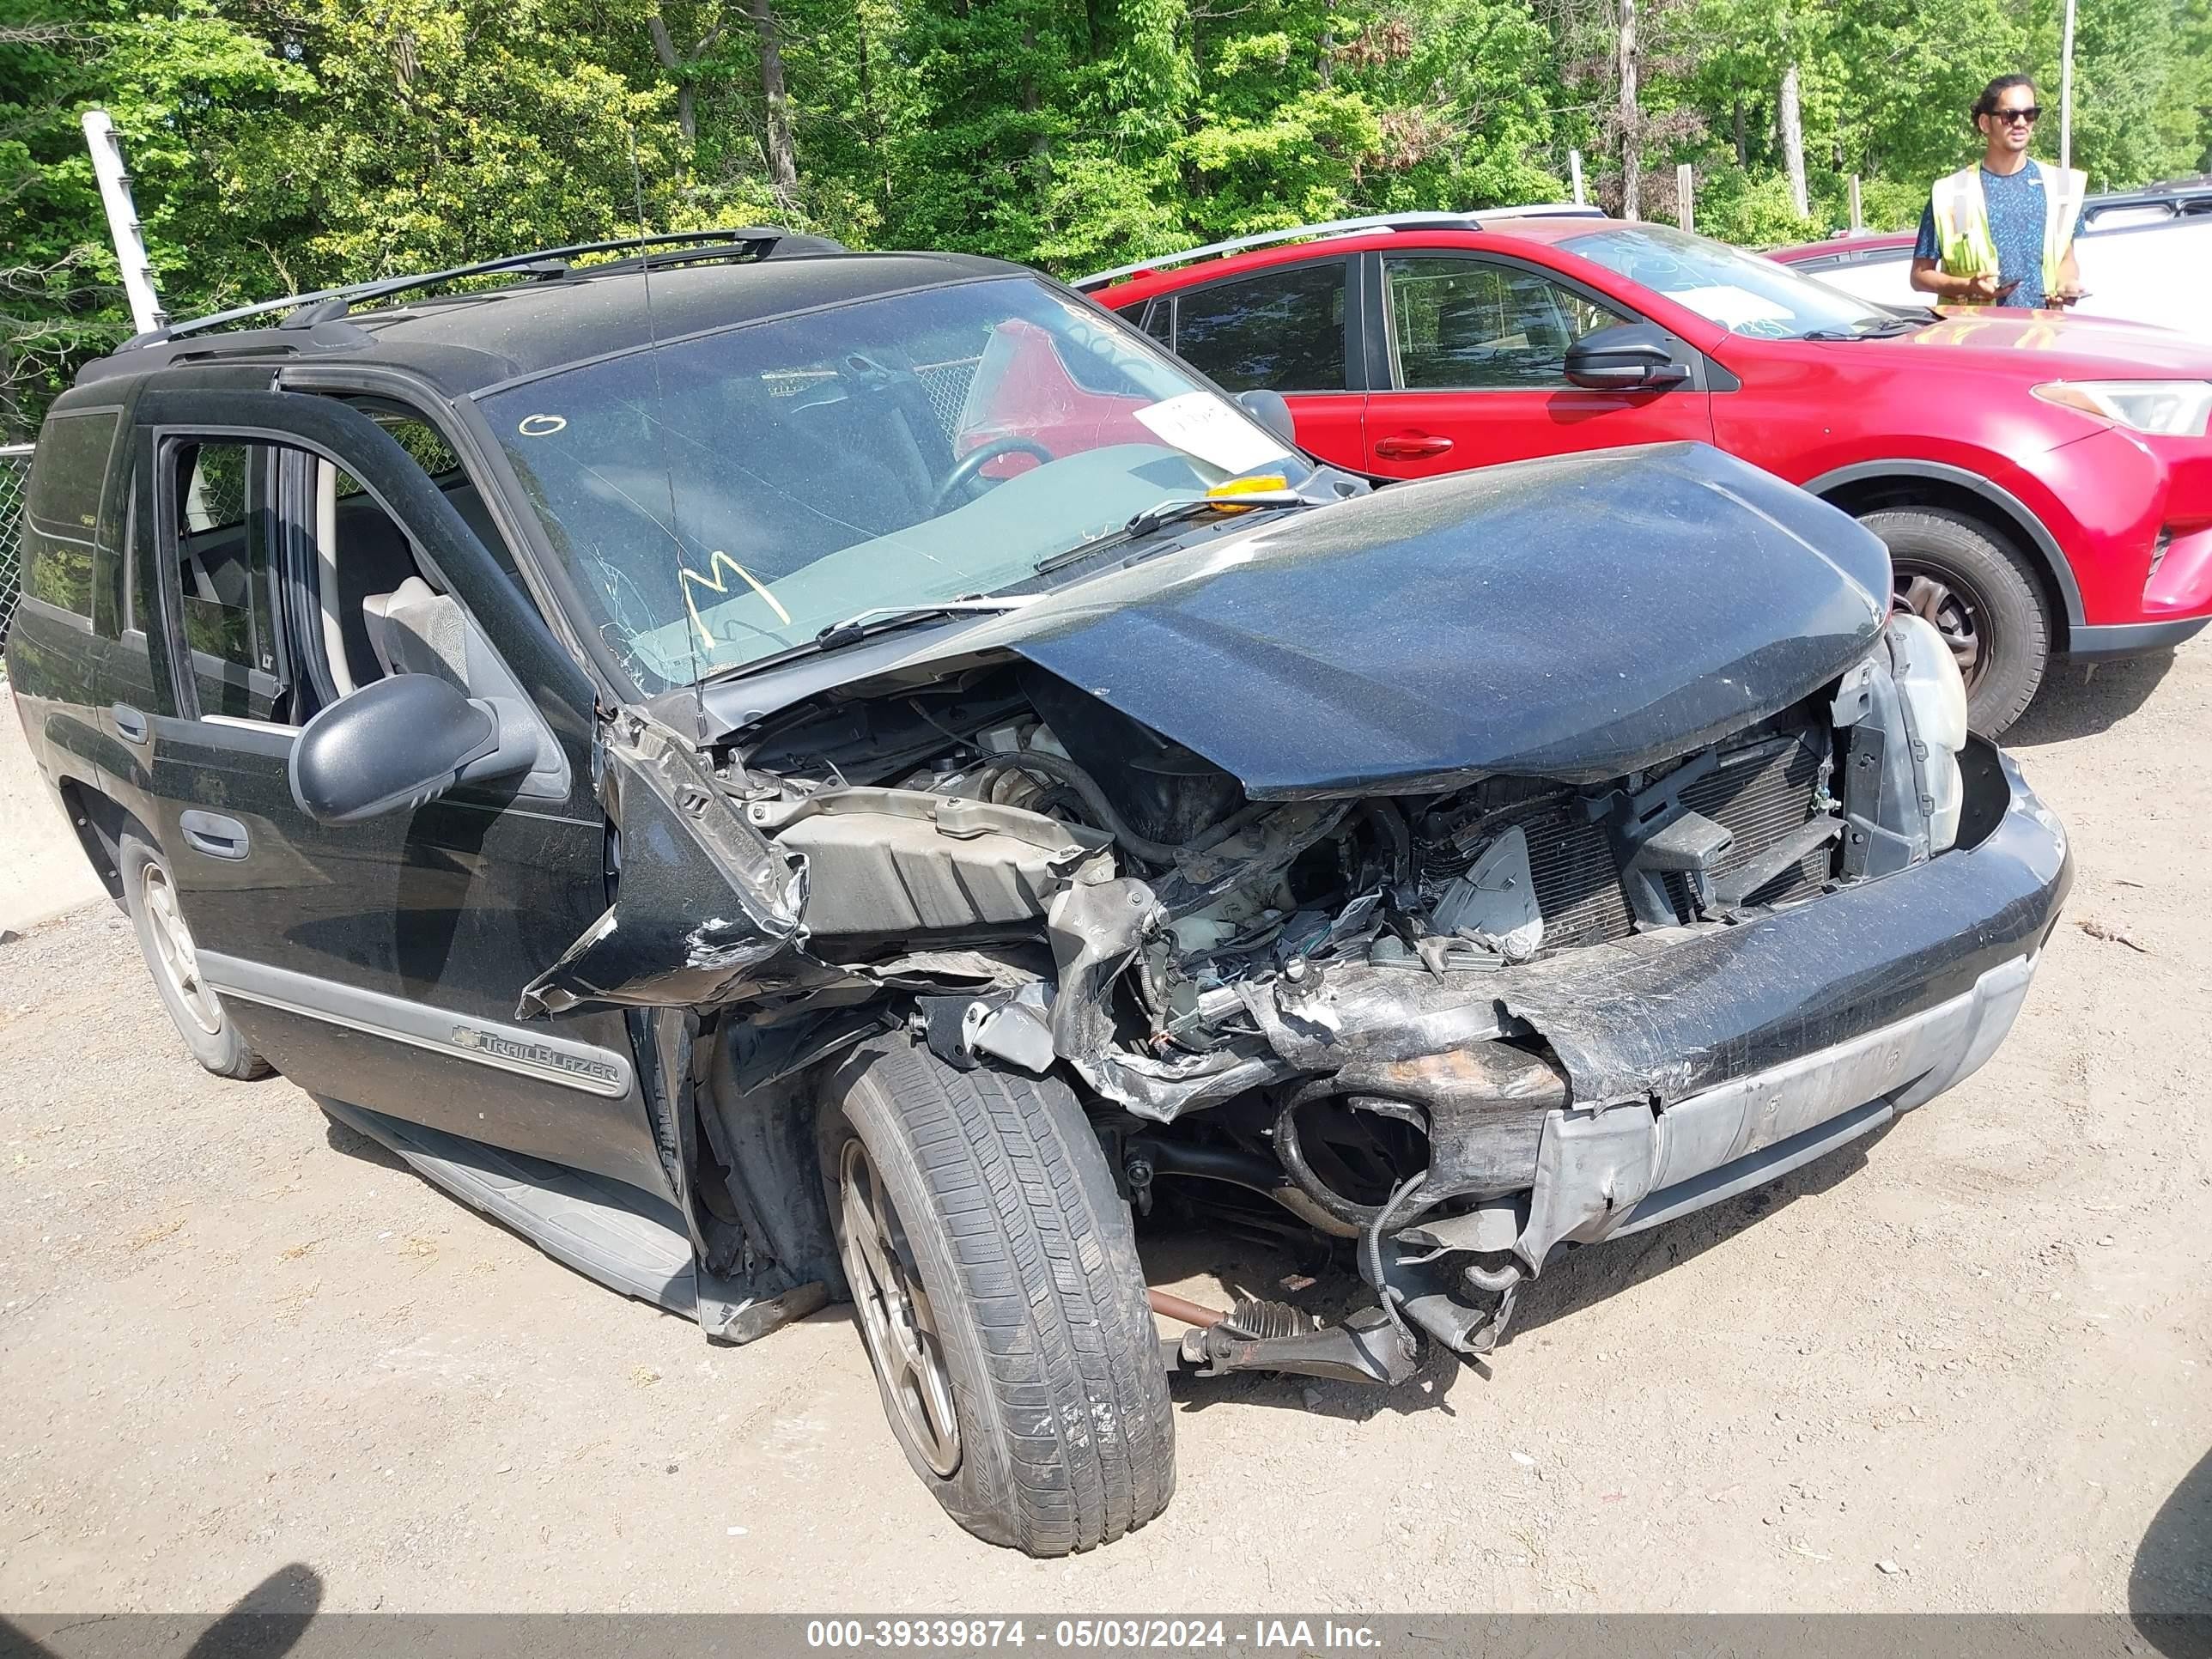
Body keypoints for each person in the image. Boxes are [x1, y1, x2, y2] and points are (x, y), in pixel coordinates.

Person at [1910, 74, 2087, 309]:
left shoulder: (2061, 187)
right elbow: (1920, 276)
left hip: (2044, 335)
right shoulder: (1952, 193)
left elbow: (2066, 258)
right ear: (1985, 123)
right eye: (2010, 115)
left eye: (2030, 114)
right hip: (1977, 338)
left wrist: (2067, 284)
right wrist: (1969, 286)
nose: (2021, 122)